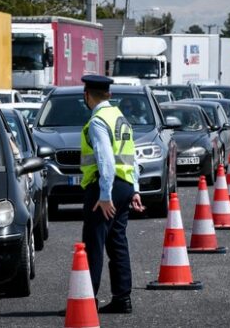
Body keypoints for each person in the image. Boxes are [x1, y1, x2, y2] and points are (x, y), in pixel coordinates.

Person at [79, 74, 145, 314]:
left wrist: (104, 195)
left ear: (87, 96)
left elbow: (106, 160)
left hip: (104, 187)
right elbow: (132, 156)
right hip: (125, 185)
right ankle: (122, 299)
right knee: (117, 243)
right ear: (109, 95)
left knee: (94, 244)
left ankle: (86, 301)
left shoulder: (98, 121)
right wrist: (135, 189)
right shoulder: (120, 118)